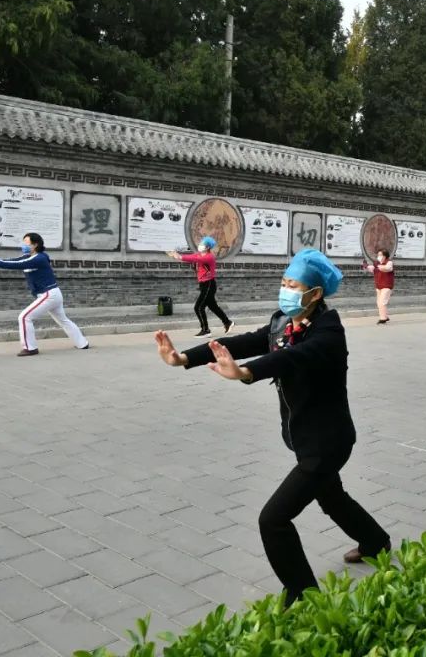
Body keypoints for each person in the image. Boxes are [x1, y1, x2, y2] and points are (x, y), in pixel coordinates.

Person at [154, 249, 390, 606]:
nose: (285, 290)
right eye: (284, 282)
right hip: (303, 438)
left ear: (315, 294)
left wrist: (246, 372)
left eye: (293, 285)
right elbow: (240, 342)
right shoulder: (283, 322)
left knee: (273, 519)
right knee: (331, 497)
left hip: (327, 442)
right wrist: (184, 357)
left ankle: (302, 594)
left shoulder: (329, 331)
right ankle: (376, 542)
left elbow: (292, 358)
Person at [0, 232, 90, 356]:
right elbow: (12, 261)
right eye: (23, 242)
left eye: (26, 243)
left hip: (49, 294)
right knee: (63, 320)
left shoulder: (40, 258)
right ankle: (82, 343)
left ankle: (30, 348)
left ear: (35, 245)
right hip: (52, 294)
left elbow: (18, 265)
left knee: (24, 317)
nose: (24, 245)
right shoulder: (29, 257)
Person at [167, 236, 233, 338]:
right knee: (213, 306)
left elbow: (193, 258)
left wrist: (179, 256)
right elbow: (192, 257)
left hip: (209, 284)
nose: (200, 245)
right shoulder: (200, 254)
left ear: (208, 247)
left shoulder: (209, 257)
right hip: (204, 284)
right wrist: (178, 255)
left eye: (203, 244)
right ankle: (227, 322)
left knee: (198, 307)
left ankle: (205, 330)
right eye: (201, 243)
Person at [361, 249, 394, 325]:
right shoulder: (376, 264)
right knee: (379, 302)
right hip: (379, 286)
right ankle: (385, 316)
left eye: (381, 255)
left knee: (382, 302)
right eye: (378, 255)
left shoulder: (389, 262)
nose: (379, 256)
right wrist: (365, 266)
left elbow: (387, 268)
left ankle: (383, 319)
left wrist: (378, 266)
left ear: (385, 256)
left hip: (386, 286)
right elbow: (371, 268)